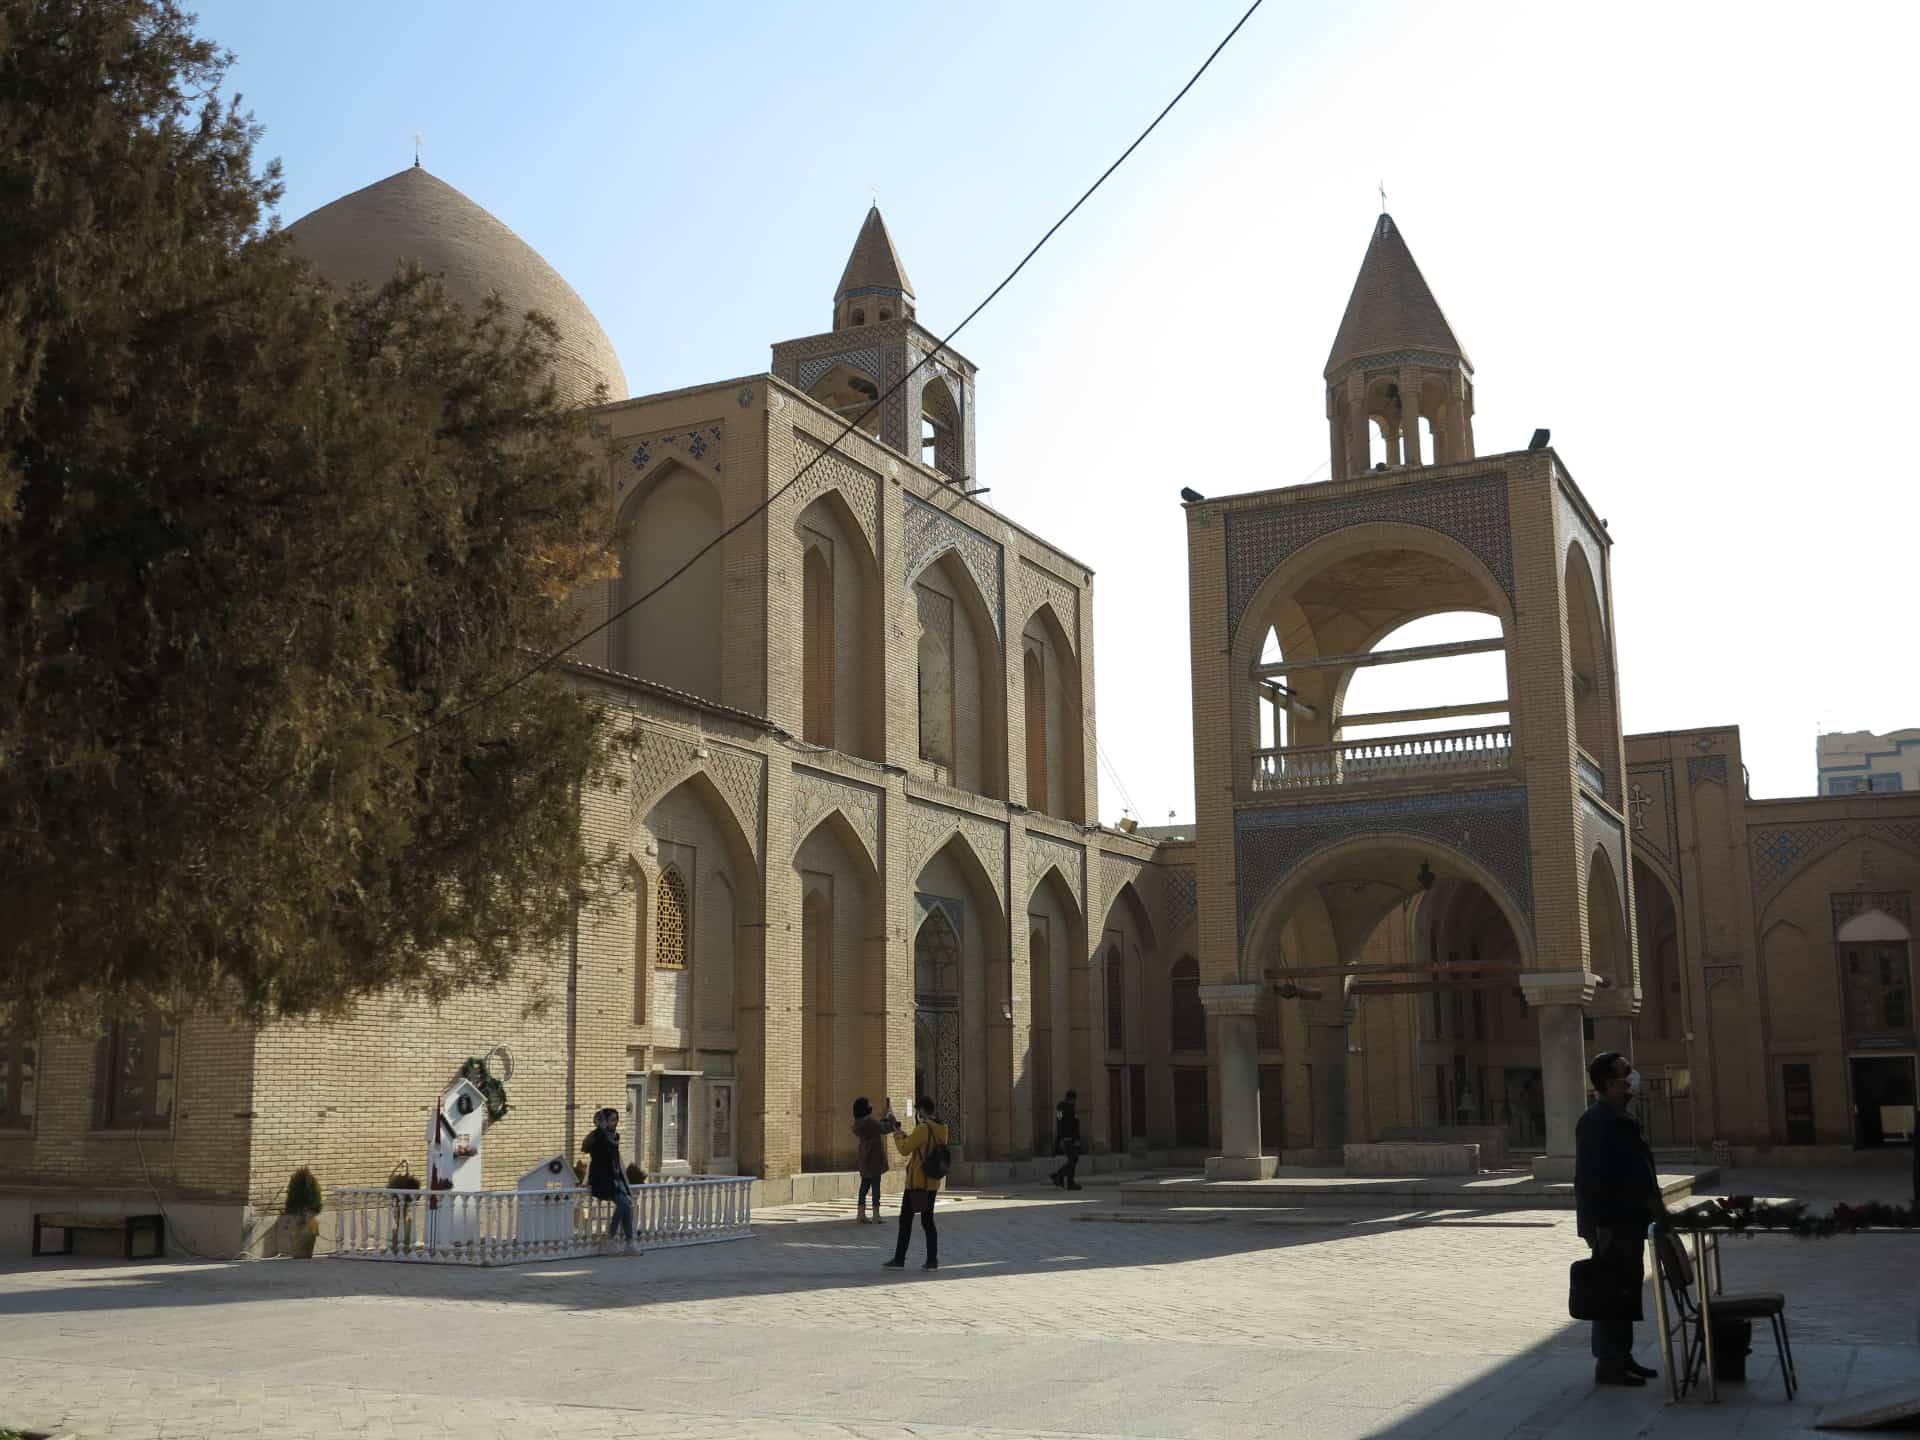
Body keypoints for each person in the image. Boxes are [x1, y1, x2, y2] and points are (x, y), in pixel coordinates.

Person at [1574, 1052, 1664, 1387]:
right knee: (1609, 1291)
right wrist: (1600, 1227)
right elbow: (1590, 1180)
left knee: (1625, 1290)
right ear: (1611, 1083)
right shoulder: (1596, 1121)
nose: (1633, 1076)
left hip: (1630, 1221)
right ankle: (1609, 1363)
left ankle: (1622, 1356)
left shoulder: (1622, 1117)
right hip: (1611, 1225)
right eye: (1626, 1072)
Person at [882, 1095, 949, 1271]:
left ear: (922, 1111)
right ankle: (932, 1260)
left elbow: (905, 1149)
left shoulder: (923, 1128)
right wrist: (906, 1135)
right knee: (928, 1221)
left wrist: (896, 1135)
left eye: (918, 1111)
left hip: (917, 1183)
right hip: (932, 1182)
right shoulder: (942, 1128)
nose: (918, 1115)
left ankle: (899, 1259)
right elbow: (923, 1146)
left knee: (905, 1221)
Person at [581, 1106, 635, 1249]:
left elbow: (617, 1160)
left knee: (626, 1205)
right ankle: (610, 1237)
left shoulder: (615, 1137)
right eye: (611, 1120)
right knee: (624, 1204)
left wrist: (627, 1184)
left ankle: (630, 1243)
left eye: (616, 1120)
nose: (615, 1123)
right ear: (604, 1121)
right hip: (602, 1180)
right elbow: (586, 1148)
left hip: (616, 1179)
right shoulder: (597, 1137)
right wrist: (600, 1130)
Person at [851, 1096, 893, 1223]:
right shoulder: (869, 1122)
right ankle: (876, 1215)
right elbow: (884, 1128)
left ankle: (861, 1213)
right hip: (874, 1157)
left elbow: (877, 1126)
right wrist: (890, 1117)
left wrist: (883, 1119)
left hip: (864, 1156)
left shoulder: (857, 1124)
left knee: (864, 1185)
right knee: (875, 1186)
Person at [1051, 1089, 1083, 1190]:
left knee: (1072, 1159)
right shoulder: (1070, 1108)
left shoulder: (1059, 1107)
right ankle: (1060, 1176)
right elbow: (1074, 1124)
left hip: (1065, 1137)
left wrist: (1059, 1137)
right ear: (1073, 1099)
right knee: (1073, 1159)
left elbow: (1059, 1120)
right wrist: (1076, 1138)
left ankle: (1067, 1181)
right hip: (1069, 1138)